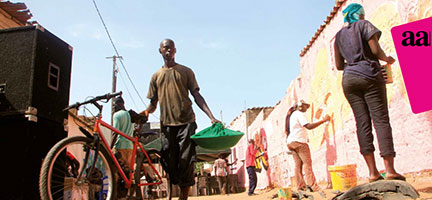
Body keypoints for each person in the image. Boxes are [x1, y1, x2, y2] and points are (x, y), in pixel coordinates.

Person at [334, 3, 405, 182]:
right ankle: (390, 170)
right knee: (381, 120)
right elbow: (375, 50)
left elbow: (339, 65)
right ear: (359, 14)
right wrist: (387, 59)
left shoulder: (338, 36)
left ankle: (373, 173)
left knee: (362, 124)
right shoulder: (365, 25)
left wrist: (353, 61)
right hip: (370, 75)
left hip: (349, 80)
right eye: (362, 14)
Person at [141, 39, 220, 200]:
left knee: (186, 160)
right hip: (167, 125)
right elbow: (153, 104)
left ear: (175, 50)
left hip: (186, 122)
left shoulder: (186, 72)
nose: (168, 51)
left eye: (171, 48)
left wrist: (211, 117)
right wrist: (145, 112)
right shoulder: (156, 76)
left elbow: (196, 95)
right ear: (160, 51)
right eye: (165, 48)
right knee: (169, 161)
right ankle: (172, 193)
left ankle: (183, 196)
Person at [286, 100, 329, 195]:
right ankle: (314, 186)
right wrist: (323, 121)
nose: (306, 108)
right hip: (299, 142)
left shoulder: (293, 115)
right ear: (301, 106)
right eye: (306, 106)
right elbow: (308, 126)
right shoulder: (299, 114)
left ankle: (300, 187)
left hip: (291, 142)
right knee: (307, 164)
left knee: (298, 165)